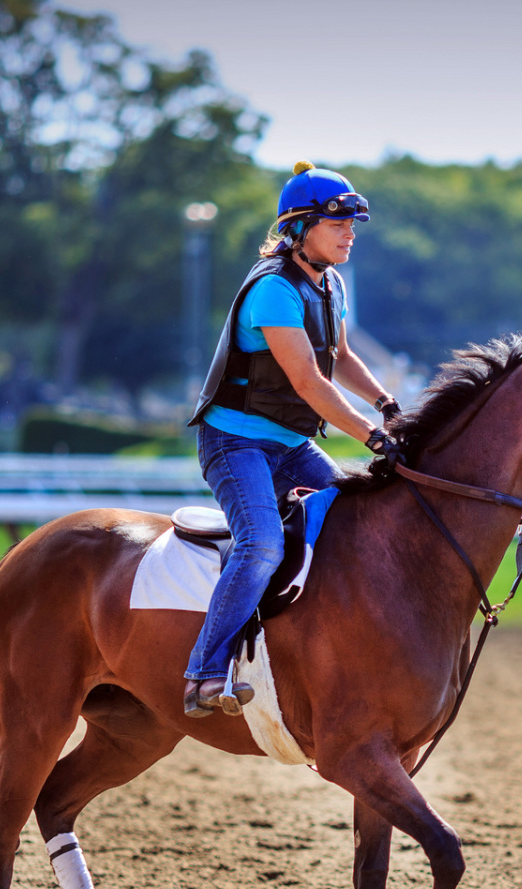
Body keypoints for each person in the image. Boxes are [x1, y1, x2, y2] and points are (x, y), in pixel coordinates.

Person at [181, 161, 401, 718]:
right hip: (236, 445)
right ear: (301, 228)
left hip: (290, 445)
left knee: (356, 524)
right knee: (261, 545)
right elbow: (308, 382)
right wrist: (372, 438)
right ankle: (204, 671)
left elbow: (342, 358)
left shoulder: (331, 284)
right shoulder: (274, 291)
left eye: (354, 222)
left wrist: (388, 405)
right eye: (339, 223)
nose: (351, 232)